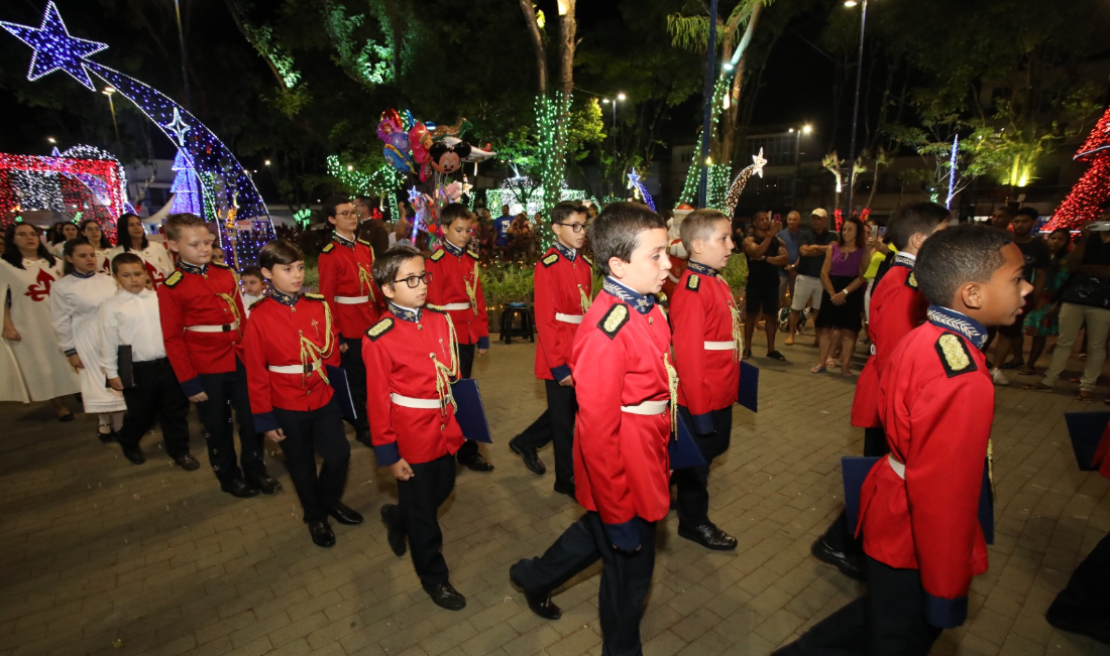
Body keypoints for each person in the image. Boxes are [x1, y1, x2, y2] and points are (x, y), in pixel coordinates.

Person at [774, 224, 1032, 656]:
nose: (1027, 289)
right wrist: (947, 585)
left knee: (881, 617)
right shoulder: (963, 376)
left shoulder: (926, 336)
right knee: (899, 636)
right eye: (1017, 278)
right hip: (915, 532)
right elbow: (943, 493)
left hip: (893, 509)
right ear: (972, 294)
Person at [508, 202, 673, 655]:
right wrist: (618, 510)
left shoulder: (649, 308)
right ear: (618, 264)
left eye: (666, 252)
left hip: (645, 453)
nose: (668, 265)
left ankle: (534, 575)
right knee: (628, 576)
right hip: (623, 467)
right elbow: (598, 435)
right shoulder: (607, 329)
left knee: (593, 534)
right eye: (656, 255)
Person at [813, 202, 949, 581]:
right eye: (942, 233)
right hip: (892, 392)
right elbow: (896, 349)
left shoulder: (914, 277)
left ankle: (843, 541)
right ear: (919, 240)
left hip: (892, 389)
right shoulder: (906, 281)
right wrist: (907, 403)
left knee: (881, 471)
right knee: (880, 471)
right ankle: (842, 542)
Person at [365, 244, 468, 610]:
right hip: (411, 435)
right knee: (426, 517)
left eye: (423, 276)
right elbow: (377, 402)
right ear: (388, 290)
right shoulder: (379, 336)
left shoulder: (440, 319)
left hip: (445, 426)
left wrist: (466, 421)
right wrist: (389, 454)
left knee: (444, 488)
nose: (422, 285)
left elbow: (453, 378)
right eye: (410, 279)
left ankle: (398, 516)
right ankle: (434, 579)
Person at [243, 240, 361, 548]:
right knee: (301, 464)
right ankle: (315, 517)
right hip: (285, 400)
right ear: (267, 273)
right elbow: (255, 371)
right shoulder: (259, 315)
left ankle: (329, 500)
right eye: (287, 269)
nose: (296, 275)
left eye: (299, 268)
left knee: (339, 455)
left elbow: (332, 352)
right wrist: (265, 419)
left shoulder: (318, 305)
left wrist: (337, 394)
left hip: (323, 395)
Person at [158, 212, 280, 498]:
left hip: (238, 359)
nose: (204, 249)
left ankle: (255, 469)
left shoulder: (224, 273)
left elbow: (242, 319)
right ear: (174, 246)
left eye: (207, 241)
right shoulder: (172, 287)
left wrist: (255, 356)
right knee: (218, 426)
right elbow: (173, 338)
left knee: (252, 419)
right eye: (195, 244)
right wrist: (189, 381)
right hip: (206, 367)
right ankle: (228, 476)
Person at [507, 202, 593, 496]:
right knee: (563, 420)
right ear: (557, 229)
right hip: (558, 351)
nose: (582, 233)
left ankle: (526, 441)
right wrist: (559, 365)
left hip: (580, 350)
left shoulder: (584, 264)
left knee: (568, 410)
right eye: (575, 226)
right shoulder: (548, 265)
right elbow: (545, 320)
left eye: (584, 226)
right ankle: (565, 479)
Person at [670, 209, 741, 551]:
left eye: (730, 237)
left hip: (721, 389)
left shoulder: (715, 279)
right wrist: (698, 410)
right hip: (701, 395)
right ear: (697, 245)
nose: (731, 244)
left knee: (713, 451)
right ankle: (693, 521)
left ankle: (677, 491)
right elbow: (688, 357)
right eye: (723, 238)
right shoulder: (693, 289)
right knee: (697, 465)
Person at [99, 252, 197, 470]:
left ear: (145, 274)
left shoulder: (159, 298)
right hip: (136, 368)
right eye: (126, 275)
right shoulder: (111, 306)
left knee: (175, 411)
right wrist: (111, 372)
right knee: (141, 413)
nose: (133, 279)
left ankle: (180, 451)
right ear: (115, 277)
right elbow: (107, 341)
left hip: (167, 364)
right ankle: (129, 440)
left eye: (137, 273)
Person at [425, 203, 493, 472]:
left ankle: (466, 450)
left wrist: (483, 334)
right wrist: (438, 342)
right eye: (459, 230)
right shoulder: (436, 262)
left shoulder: (470, 261)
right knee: (447, 394)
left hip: (466, 335)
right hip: (445, 338)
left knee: (462, 393)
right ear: (444, 230)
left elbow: (478, 301)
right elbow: (433, 306)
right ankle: (446, 448)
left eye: (468, 230)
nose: (465, 235)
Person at [1024, 212, 1110, 402]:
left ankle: (1087, 386)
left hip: (1104, 302)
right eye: (1105, 215)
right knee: (1064, 342)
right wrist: (1085, 238)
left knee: (1096, 345)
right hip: (1073, 297)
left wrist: (1086, 268)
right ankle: (1050, 380)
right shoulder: (1090, 239)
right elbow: (1071, 265)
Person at [317, 195, 381, 447]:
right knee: (357, 380)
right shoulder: (330, 255)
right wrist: (336, 334)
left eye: (353, 212)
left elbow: (374, 289)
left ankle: (375, 420)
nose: (352, 217)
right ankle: (362, 425)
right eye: (344, 214)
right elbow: (327, 299)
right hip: (349, 325)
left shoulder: (366, 248)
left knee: (374, 376)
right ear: (332, 220)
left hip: (371, 322)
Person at [50, 240, 128, 441]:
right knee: (97, 381)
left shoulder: (108, 280)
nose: (89, 259)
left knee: (116, 378)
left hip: (112, 333)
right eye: (82, 256)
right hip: (86, 336)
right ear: (69, 258)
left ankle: (119, 423)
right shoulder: (62, 286)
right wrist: (70, 351)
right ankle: (103, 420)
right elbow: (60, 321)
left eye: (92, 255)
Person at [0, 223, 81, 417]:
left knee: (72, 357)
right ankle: (59, 405)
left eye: (33, 234)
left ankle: (81, 391)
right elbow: (2, 299)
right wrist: (7, 325)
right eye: (22, 234)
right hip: (31, 323)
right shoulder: (5, 266)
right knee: (45, 364)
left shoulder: (54, 262)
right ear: (13, 239)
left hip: (62, 318)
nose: (30, 238)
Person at [989, 207, 1049, 384]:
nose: (1019, 225)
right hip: (995, 292)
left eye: (1024, 221)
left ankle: (996, 369)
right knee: (986, 330)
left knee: (1008, 333)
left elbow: (1040, 274)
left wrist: (1035, 298)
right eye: (1016, 221)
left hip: (1020, 295)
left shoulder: (1039, 247)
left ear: (1033, 223)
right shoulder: (1003, 242)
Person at [811, 217, 869, 376]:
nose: (846, 232)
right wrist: (832, 293)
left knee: (849, 331)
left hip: (851, 292)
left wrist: (844, 293)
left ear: (858, 232)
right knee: (825, 329)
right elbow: (824, 273)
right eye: (844, 229)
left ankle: (845, 366)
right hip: (831, 289)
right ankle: (822, 362)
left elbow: (863, 276)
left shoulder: (863, 251)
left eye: (850, 229)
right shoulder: (833, 248)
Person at [1020, 228, 1071, 375]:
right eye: (1053, 238)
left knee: (1040, 332)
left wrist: (1057, 302)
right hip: (1032, 293)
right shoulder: (1041, 254)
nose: (1055, 241)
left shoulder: (1066, 259)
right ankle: (1019, 358)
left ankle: (1030, 363)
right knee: (1022, 329)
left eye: (1060, 239)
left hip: (1050, 298)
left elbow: (1063, 280)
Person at [742, 211, 788, 361]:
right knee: (751, 316)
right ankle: (747, 348)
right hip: (755, 282)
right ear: (754, 223)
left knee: (771, 316)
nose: (765, 222)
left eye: (766, 219)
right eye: (761, 219)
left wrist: (766, 259)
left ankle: (771, 349)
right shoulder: (749, 240)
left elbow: (784, 259)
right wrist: (768, 238)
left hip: (772, 283)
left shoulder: (777, 241)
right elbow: (755, 252)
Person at [787, 208, 835, 346]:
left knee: (818, 310)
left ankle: (818, 336)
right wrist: (824, 249)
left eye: (818, 218)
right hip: (805, 276)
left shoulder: (832, 236)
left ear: (825, 220)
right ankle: (791, 334)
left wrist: (814, 247)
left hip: (822, 278)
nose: (815, 221)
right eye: (813, 218)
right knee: (796, 307)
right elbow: (804, 252)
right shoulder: (805, 234)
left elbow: (833, 250)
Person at [107, 213, 175, 287]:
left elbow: (171, 272)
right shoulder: (117, 253)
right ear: (124, 228)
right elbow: (116, 282)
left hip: (164, 292)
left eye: (138, 224)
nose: (137, 228)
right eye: (131, 225)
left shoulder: (157, 247)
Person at [778, 210, 803, 305]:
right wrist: (789, 268)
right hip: (782, 271)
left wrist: (794, 267)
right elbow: (779, 253)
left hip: (797, 273)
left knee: (796, 300)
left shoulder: (802, 235)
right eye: (790, 219)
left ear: (799, 221)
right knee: (778, 298)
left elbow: (803, 253)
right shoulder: (780, 235)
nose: (791, 222)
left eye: (794, 220)